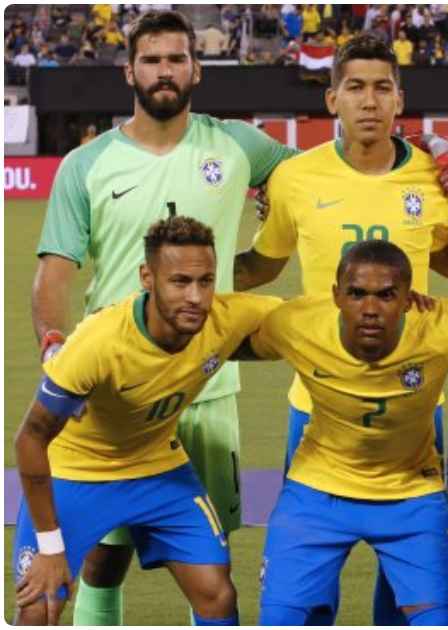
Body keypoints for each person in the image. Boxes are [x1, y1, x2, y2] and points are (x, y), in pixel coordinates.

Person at [30, 11, 295, 626]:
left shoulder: (238, 145)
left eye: (177, 58)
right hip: (114, 389)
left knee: (209, 555)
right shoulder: (86, 164)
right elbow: (54, 274)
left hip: (206, 382)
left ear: (196, 69)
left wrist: (262, 259)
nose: (165, 70)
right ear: (130, 72)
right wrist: (53, 344)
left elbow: (309, 178)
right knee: (103, 557)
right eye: (151, 60)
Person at [231, 33, 448, 625]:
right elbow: (263, 264)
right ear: (332, 99)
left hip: (414, 405)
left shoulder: (433, 179)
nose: (369, 100)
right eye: (355, 88)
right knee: (308, 584)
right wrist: (187, 285)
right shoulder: (295, 178)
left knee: (409, 579)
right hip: (316, 404)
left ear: (399, 100)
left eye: (382, 88)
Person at [13, 217, 280, 626]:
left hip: (158, 469)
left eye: (206, 281)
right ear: (147, 278)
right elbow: (30, 439)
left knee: (217, 593)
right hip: (76, 472)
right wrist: (50, 549)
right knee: (39, 605)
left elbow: (309, 318)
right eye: (180, 282)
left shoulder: (225, 318)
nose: (196, 297)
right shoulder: (99, 342)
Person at [243, 240, 448, 625]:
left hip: (411, 495)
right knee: (279, 620)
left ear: (408, 299)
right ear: (336, 296)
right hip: (317, 492)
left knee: (438, 621)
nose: (370, 309)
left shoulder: (445, 327)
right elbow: (225, 339)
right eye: (357, 294)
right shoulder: (297, 324)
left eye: (386, 295)